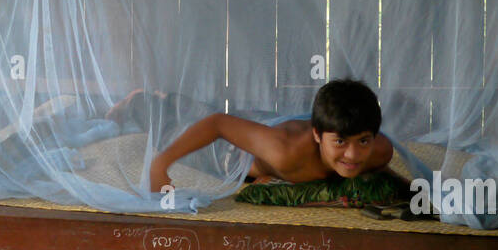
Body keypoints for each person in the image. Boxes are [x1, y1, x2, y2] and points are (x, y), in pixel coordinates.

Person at [107, 78, 394, 193]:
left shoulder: (379, 151)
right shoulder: (286, 151)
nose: (353, 155)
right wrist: (161, 164)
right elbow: (217, 124)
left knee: (215, 114)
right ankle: (140, 101)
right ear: (318, 135)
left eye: (363, 141)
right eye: (340, 142)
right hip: (230, 154)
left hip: (262, 125)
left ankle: (167, 98)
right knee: (167, 130)